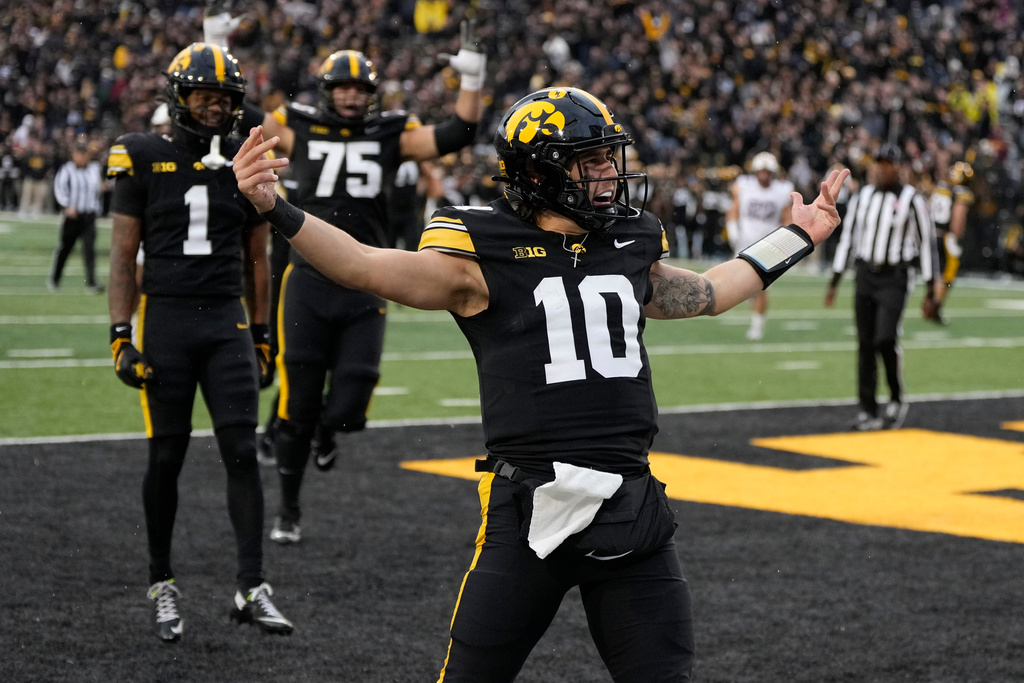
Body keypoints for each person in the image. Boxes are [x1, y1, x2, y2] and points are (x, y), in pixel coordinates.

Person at [233, 86, 850, 682]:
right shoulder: (480, 251)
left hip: (629, 509)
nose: (609, 173)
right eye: (590, 161)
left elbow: (714, 292)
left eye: (609, 157)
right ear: (537, 173)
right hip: (529, 508)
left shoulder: (628, 241)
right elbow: (362, 264)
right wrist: (276, 208)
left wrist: (800, 235)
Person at [223, 20, 486, 544]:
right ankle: (289, 509)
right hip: (308, 279)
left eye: (358, 88)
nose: (348, 96)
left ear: (370, 95)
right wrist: (216, 43)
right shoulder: (298, 126)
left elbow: (458, 132)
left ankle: (327, 430)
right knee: (297, 405)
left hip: (368, 278)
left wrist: (473, 77)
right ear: (325, 92)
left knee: (348, 409)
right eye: (341, 87)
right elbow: (239, 112)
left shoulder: (389, 134)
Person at [105, 42, 292, 643]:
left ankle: (251, 584)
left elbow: (259, 261)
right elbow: (122, 255)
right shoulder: (139, 154)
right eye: (203, 97)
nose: (214, 108)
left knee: (241, 452)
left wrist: (263, 334)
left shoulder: (247, 159)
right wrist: (118, 335)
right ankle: (162, 581)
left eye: (225, 99)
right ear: (178, 98)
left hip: (226, 324)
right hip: (164, 321)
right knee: (168, 456)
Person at [825, 144, 938, 432]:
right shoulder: (863, 196)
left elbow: (926, 244)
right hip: (865, 274)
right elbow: (849, 237)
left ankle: (897, 397)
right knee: (865, 344)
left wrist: (930, 290)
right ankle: (867, 409)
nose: (881, 168)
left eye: (887, 164)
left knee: (884, 339)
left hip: (894, 277)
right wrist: (835, 279)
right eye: (878, 163)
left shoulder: (913, 199)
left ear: (900, 168)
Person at [725, 151, 794, 340]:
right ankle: (753, 308)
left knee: (760, 287)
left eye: (767, 171)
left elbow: (787, 219)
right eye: (761, 171)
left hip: (767, 246)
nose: (764, 175)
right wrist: (732, 230)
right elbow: (733, 210)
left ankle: (757, 326)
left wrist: (782, 241)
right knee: (736, 283)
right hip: (744, 242)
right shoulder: (744, 186)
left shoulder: (782, 190)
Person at [49, 140, 105, 293]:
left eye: (83, 154)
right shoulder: (67, 169)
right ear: (73, 155)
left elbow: (99, 188)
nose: (81, 158)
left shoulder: (94, 169)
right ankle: (55, 279)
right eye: (78, 154)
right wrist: (67, 205)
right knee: (65, 248)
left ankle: (91, 283)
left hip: (89, 216)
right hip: (73, 216)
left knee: (89, 250)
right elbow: (59, 188)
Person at [925, 155, 974, 325]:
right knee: (947, 275)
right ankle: (935, 307)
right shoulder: (961, 193)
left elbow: (928, 207)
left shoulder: (940, 187)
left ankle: (930, 303)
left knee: (934, 272)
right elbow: (957, 221)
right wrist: (956, 237)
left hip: (931, 234)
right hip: (946, 237)